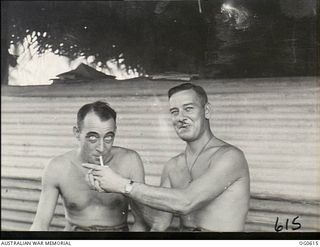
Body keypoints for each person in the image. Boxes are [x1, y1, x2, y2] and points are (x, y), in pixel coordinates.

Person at [83, 83, 250, 232]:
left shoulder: (230, 156)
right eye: (174, 111)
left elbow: (186, 202)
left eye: (189, 108)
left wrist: (123, 185)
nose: (181, 117)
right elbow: (159, 223)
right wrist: (123, 178)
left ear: (206, 110)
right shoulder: (173, 166)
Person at [30, 101, 147, 231]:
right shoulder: (57, 167)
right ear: (77, 133)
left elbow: (141, 223)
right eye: (93, 138)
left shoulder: (130, 160)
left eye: (108, 138)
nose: (101, 148)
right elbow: (40, 225)